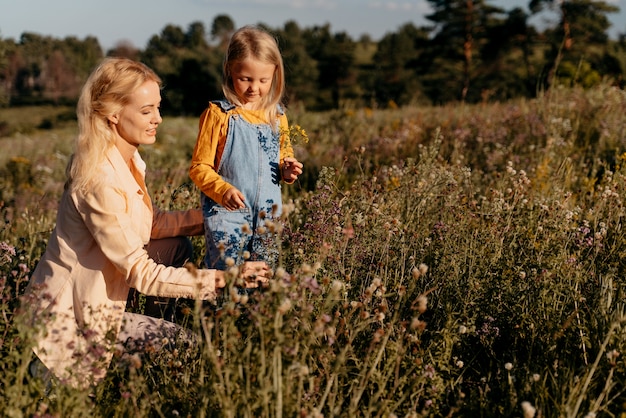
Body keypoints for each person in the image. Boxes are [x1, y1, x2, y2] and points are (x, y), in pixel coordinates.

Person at [23, 57, 269, 389]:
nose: (158, 119)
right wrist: (228, 278)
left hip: (93, 304)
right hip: (63, 335)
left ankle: (152, 335)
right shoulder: (98, 177)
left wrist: (213, 218)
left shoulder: (125, 158)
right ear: (113, 113)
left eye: (158, 107)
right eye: (146, 111)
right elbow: (141, 272)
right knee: (186, 346)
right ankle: (143, 380)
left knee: (175, 246)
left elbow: (146, 226)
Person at [189, 25, 303, 271]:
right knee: (226, 278)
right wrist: (223, 190)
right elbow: (199, 168)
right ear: (230, 70)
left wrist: (287, 170)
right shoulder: (218, 115)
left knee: (263, 280)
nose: (254, 88)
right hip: (228, 213)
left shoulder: (277, 116)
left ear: (275, 75)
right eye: (245, 79)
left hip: (268, 216)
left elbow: (283, 157)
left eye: (264, 80)